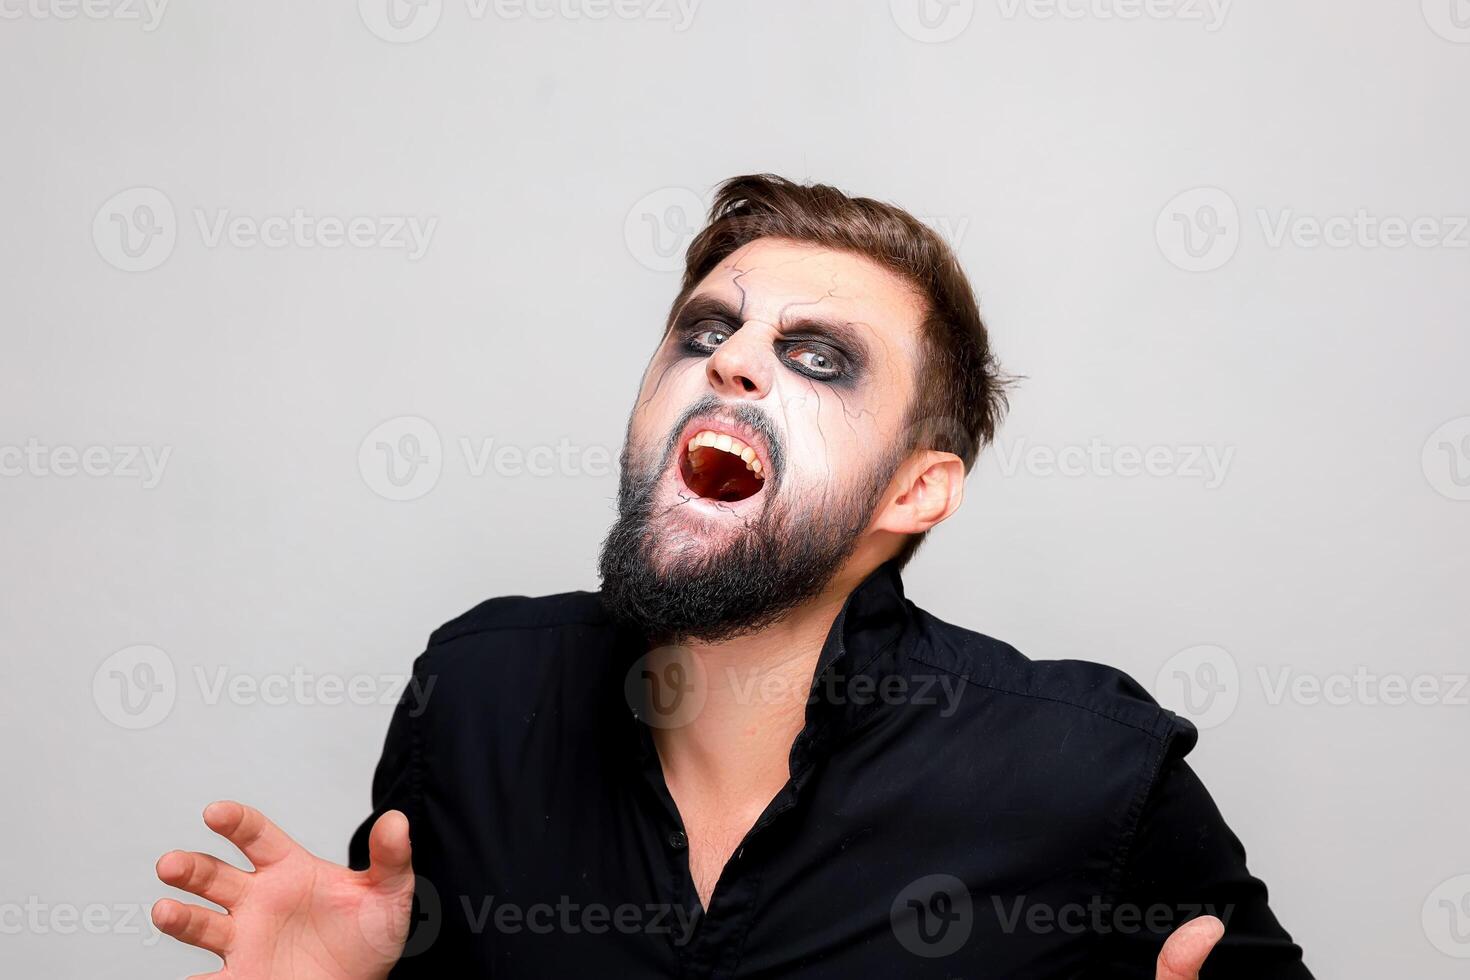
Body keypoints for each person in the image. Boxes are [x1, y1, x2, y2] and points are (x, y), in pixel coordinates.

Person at [151, 174, 1312, 978]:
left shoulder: (1092, 775)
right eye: (705, 331)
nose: (737, 360)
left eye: (818, 357)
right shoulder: (477, 698)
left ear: (916, 490)